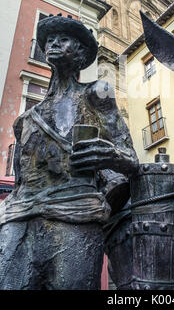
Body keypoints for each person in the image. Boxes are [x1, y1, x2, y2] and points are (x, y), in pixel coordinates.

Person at [0, 15, 138, 290]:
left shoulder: (97, 94)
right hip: (19, 217)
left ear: (81, 53)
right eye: (49, 40)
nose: (53, 44)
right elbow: (19, 182)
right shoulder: (25, 120)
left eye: (63, 40)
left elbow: (130, 158)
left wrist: (109, 155)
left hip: (76, 214)